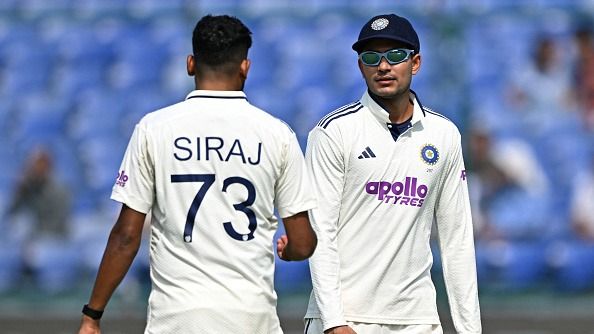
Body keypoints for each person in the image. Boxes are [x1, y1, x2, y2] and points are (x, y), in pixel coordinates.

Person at [78, 14, 317, 334]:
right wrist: (291, 251)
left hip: (177, 318)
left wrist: (93, 314)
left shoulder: (155, 129)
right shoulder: (277, 134)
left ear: (190, 64)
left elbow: (126, 235)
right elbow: (303, 243)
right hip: (250, 317)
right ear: (245, 67)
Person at [303, 14, 481, 334]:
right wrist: (333, 322)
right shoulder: (334, 132)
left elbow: (457, 239)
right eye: (371, 57)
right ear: (361, 67)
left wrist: (470, 329)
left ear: (415, 63)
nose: (383, 66)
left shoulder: (444, 134)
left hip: (417, 320)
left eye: (395, 56)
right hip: (348, 318)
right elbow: (320, 232)